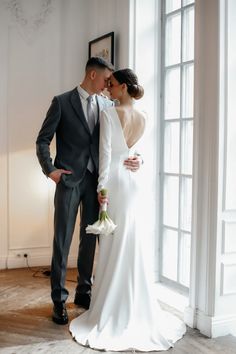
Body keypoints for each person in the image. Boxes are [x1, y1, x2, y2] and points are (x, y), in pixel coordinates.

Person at [69, 69, 186, 351]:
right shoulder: (144, 116)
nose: (107, 89)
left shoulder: (110, 114)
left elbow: (106, 155)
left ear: (122, 87)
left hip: (117, 184)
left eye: (111, 85)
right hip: (134, 183)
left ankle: (112, 305)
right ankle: (134, 304)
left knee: (112, 244)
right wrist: (140, 161)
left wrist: (102, 192)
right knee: (131, 242)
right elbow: (139, 154)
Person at [36, 57, 141, 325]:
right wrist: (51, 170)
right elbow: (43, 139)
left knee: (90, 239)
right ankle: (59, 300)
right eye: (106, 79)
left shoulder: (109, 105)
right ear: (92, 74)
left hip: (97, 183)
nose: (108, 85)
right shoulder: (61, 102)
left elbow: (126, 140)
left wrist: (139, 159)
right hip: (69, 180)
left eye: (112, 82)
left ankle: (84, 292)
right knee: (62, 239)